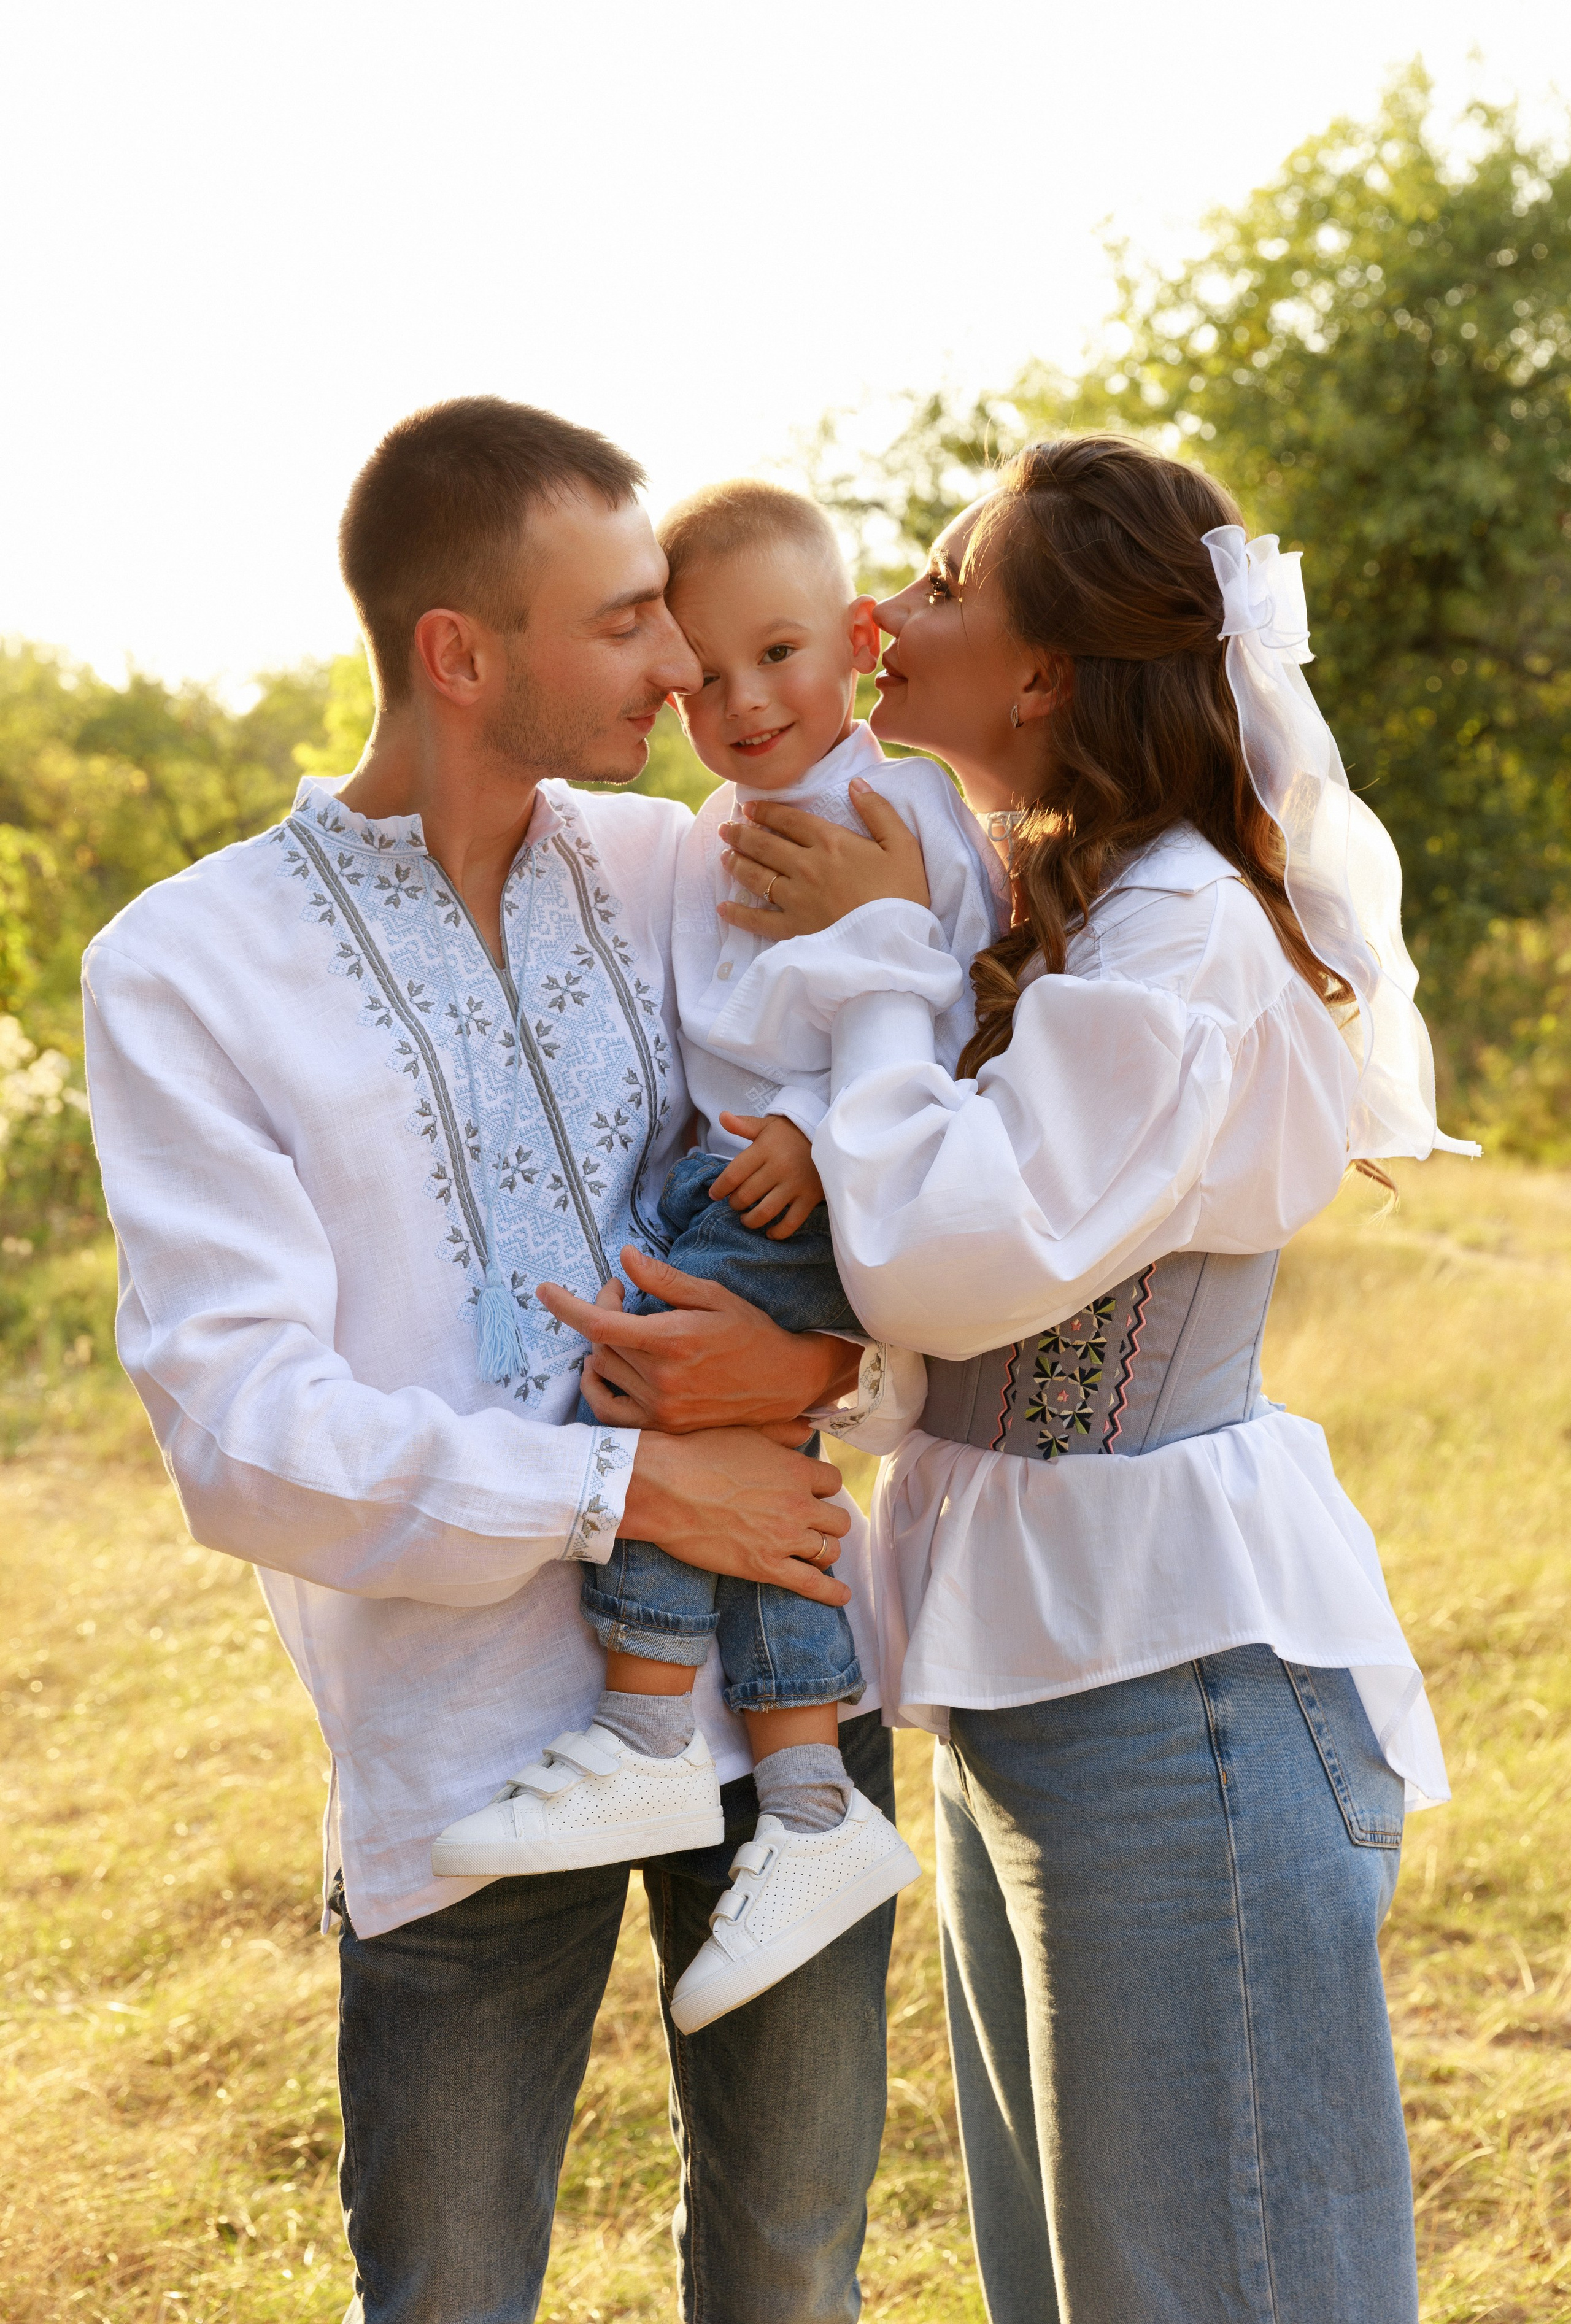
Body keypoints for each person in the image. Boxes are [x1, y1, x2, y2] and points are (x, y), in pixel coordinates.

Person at [81, 397, 909, 2324]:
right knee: (451, 2292)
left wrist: (804, 1383)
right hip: (468, 1754)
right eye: (626, 620)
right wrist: (630, 1480)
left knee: (795, 2274)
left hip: (788, 1708)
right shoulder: (185, 969)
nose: (683, 661)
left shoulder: (688, 863)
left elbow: (887, 1141)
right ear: (461, 654)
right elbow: (240, 1429)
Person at [662, 436, 1472, 2322]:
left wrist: (864, 964)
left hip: (1178, 1696)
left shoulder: (1180, 927)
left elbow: (947, 1251)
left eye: (943, 584)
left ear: (1042, 671)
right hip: (1050, 1694)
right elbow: (953, 1313)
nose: (892, 616)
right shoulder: (1076, 907)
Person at [436, 479, 1003, 2031]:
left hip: (814, 1198)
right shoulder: (701, 835)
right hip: (727, 1189)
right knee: (716, 1447)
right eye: (706, 676)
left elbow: (955, 1018)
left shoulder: (910, 816)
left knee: (663, 1401)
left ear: (859, 637)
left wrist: (817, 1130)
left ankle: (647, 1733)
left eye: (781, 654)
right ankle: (809, 1800)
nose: (745, 703)